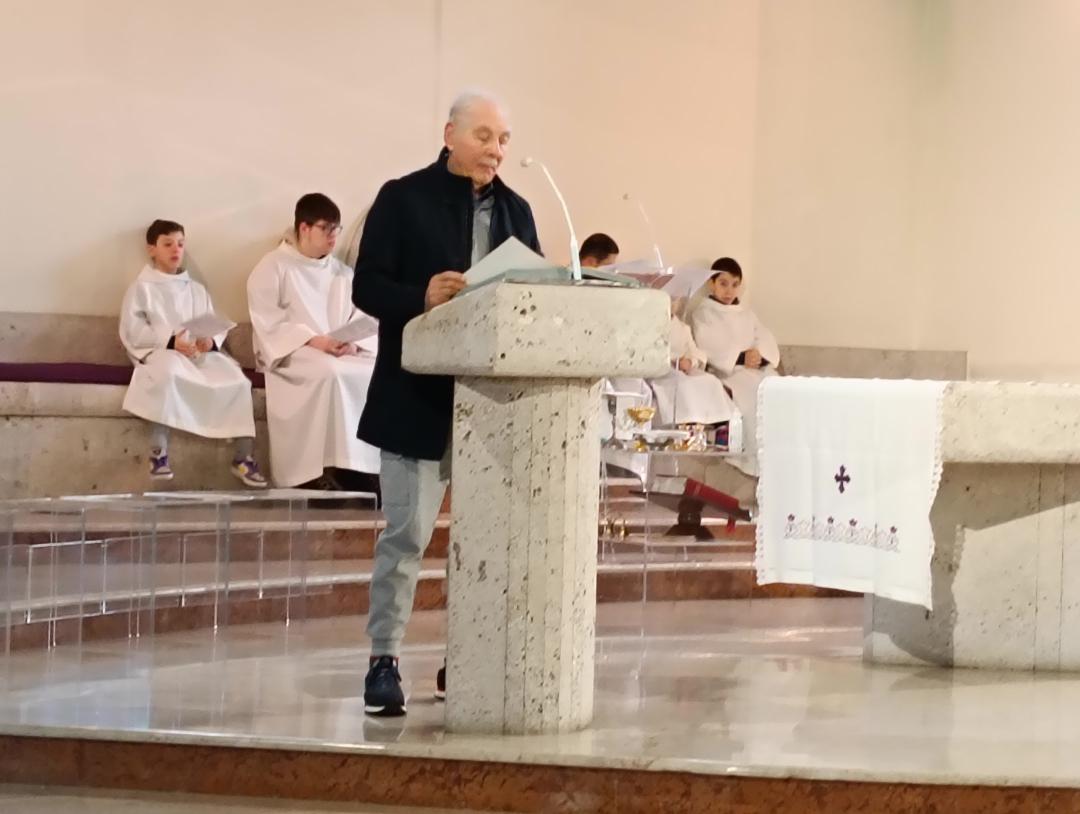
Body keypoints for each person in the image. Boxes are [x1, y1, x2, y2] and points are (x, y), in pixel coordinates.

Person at [353, 91, 541, 716]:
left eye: (504, 139)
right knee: (407, 535)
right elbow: (366, 286)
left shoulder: (517, 211)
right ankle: (384, 658)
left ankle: (464, 659)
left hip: (491, 402)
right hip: (416, 397)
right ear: (450, 135)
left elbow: (532, 296)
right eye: (484, 136)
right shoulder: (401, 198)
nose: (496, 149)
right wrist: (421, 295)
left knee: (483, 543)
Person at [247, 193, 381, 490]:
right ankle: (309, 474)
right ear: (304, 228)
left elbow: (363, 316)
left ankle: (359, 467)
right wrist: (315, 340)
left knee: (370, 373)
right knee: (330, 373)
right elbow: (268, 322)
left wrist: (353, 343)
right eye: (326, 228)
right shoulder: (273, 266)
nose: (333, 236)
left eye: (337, 229)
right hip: (294, 352)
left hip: (340, 351)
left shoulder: (342, 273)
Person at [119, 219, 266, 487]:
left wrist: (210, 341)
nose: (176, 249)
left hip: (199, 355)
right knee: (168, 374)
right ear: (152, 249)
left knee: (237, 380)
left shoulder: (196, 289)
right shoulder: (142, 288)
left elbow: (211, 322)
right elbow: (133, 329)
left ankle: (243, 457)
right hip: (164, 352)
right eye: (167, 244)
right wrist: (170, 341)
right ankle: (158, 452)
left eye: (180, 244)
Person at [689, 257, 779, 475]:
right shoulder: (703, 313)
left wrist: (758, 355)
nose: (729, 291)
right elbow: (708, 344)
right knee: (752, 397)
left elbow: (763, 338)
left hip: (757, 370)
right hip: (729, 374)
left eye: (735, 284)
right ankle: (755, 461)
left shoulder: (746, 313)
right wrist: (740, 358)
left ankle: (777, 459)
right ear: (711, 283)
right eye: (723, 283)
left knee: (778, 390)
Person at [649, 296, 735, 428]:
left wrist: (690, 361)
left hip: (684, 369)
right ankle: (687, 422)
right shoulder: (650, 326)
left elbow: (696, 352)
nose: (671, 305)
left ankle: (714, 423)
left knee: (711, 381)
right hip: (662, 372)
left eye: (674, 301)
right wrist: (670, 361)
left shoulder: (683, 328)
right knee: (683, 384)